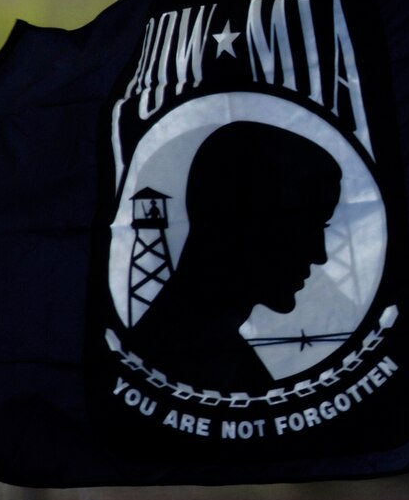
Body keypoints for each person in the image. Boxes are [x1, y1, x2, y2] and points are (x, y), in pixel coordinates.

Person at [130, 121, 342, 386]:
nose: (319, 254)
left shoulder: (159, 352)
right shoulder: (211, 366)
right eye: (306, 227)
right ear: (243, 226)